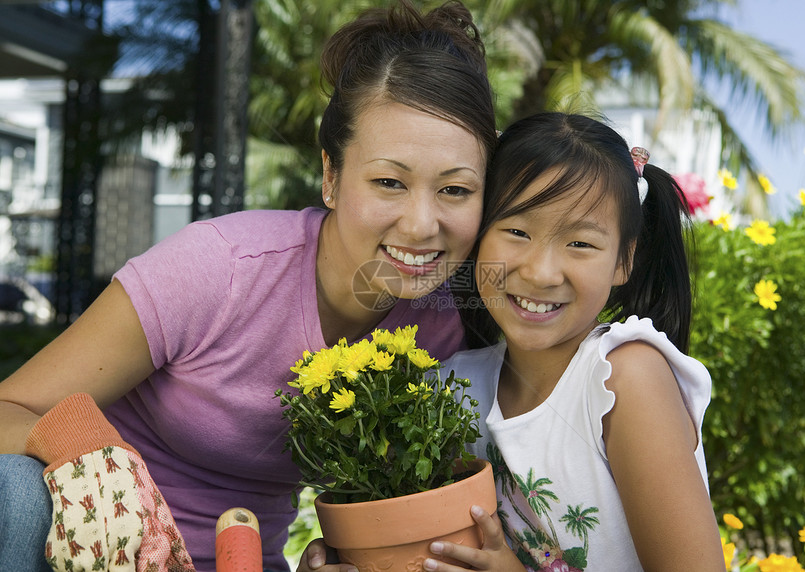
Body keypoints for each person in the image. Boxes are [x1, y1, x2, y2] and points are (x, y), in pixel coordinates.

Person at [0, 1, 497, 570]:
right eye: (389, 182)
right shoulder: (221, 269)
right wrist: (84, 444)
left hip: (246, 560)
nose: (421, 224)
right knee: (14, 487)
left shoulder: (451, 320)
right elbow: (7, 407)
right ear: (331, 176)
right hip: (92, 548)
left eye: (455, 190)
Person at [418, 112, 725, 571]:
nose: (541, 272)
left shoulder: (621, 378)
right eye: (517, 232)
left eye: (580, 244)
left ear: (624, 260)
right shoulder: (454, 385)